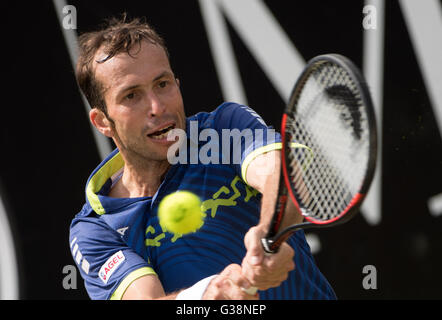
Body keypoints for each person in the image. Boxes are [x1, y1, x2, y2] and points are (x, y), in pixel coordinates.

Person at [69, 16, 336, 300]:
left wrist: (271, 233)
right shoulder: (96, 228)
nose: (157, 107)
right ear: (102, 122)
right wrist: (205, 296)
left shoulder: (223, 128)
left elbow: (282, 174)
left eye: (162, 84)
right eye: (132, 96)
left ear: (177, 83)